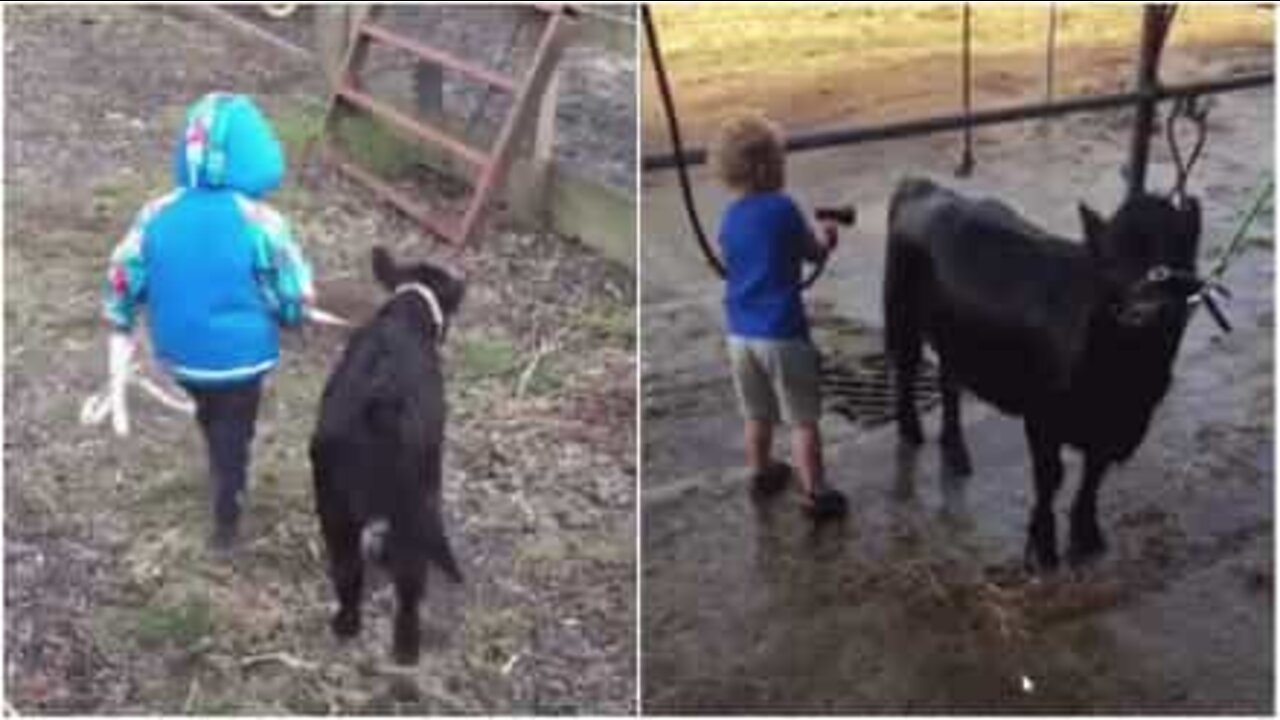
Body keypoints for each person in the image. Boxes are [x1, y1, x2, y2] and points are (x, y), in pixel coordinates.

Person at [102, 92, 314, 551]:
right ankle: (227, 513)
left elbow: (124, 273)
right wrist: (294, 317)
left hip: (178, 353)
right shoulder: (260, 221)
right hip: (241, 359)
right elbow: (289, 286)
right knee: (235, 429)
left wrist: (120, 319)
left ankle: (214, 443)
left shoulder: (157, 212)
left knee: (210, 408)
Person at [710, 111, 846, 517]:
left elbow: (728, 260)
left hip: (739, 336)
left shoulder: (730, 217)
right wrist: (828, 238)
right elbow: (812, 253)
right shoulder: (783, 209)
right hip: (783, 334)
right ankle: (816, 492)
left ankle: (763, 472)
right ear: (769, 166)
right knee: (804, 419)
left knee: (757, 413)